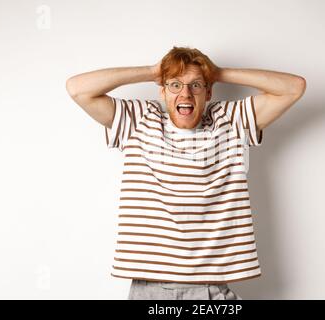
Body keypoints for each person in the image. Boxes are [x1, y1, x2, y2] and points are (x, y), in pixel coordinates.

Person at [66, 46, 306, 300]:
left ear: (208, 92)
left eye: (196, 85)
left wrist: (217, 72)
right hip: (149, 289)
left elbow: (294, 87)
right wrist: (153, 71)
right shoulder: (139, 120)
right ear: (162, 90)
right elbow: (78, 89)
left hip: (209, 289)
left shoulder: (230, 120)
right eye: (175, 85)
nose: (186, 93)